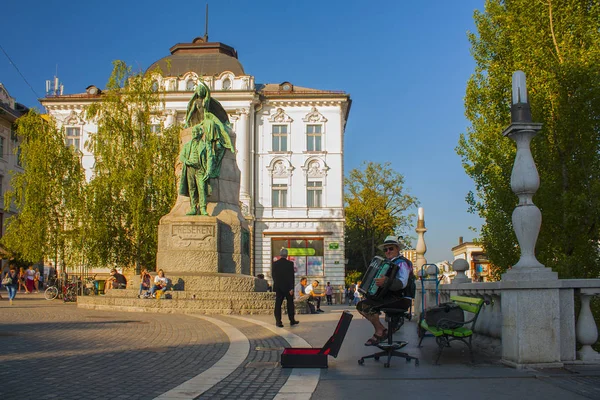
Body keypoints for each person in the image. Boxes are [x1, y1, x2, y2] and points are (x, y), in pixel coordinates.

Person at [179, 81, 234, 216]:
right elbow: (182, 156)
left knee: (202, 189)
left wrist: (209, 169)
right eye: (194, 132)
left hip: (200, 169)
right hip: (189, 168)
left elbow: (210, 155)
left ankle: (203, 208)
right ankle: (193, 208)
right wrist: (186, 161)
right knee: (192, 189)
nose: (195, 133)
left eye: (197, 132)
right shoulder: (188, 145)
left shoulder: (205, 144)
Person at [357, 235, 415, 346]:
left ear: (398, 249)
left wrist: (386, 282)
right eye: (386, 249)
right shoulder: (386, 264)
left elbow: (402, 283)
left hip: (401, 298)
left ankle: (380, 331)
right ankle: (382, 330)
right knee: (362, 305)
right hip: (392, 297)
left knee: (365, 306)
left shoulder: (402, 263)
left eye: (391, 248)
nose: (388, 251)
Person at [271, 248, 299, 327]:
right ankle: (292, 320)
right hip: (288, 288)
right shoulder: (290, 264)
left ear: (280, 254)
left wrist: (277, 285)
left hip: (279, 288)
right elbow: (291, 277)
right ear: (287, 255)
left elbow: (274, 276)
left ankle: (278, 321)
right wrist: (291, 288)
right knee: (290, 304)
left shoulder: (275, 264)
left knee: (278, 304)